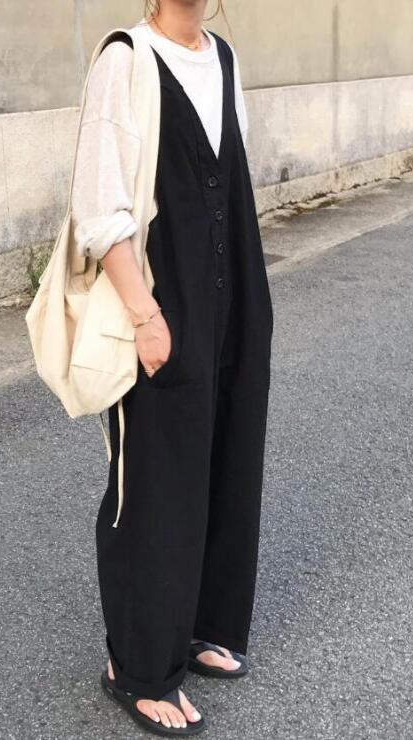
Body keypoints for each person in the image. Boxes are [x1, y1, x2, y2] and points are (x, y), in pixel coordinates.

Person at [71, 1, 273, 734]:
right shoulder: (125, 59)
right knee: (155, 478)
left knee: (226, 457)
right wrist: (145, 315)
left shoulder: (224, 58)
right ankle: (138, 668)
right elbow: (99, 207)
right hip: (162, 297)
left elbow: (228, 179)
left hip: (233, 290)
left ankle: (203, 625)